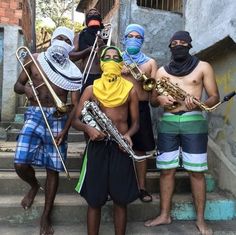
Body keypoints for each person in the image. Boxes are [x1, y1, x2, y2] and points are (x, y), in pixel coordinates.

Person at [145, 31, 220, 235]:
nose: (178, 46)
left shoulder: (203, 67)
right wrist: (159, 100)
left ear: (189, 45)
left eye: (183, 43)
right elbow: (152, 100)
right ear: (170, 46)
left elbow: (214, 97)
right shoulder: (161, 71)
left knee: (196, 172)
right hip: (167, 122)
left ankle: (201, 220)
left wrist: (199, 104)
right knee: (166, 171)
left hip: (194, 121)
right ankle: (164, 215)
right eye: (175, 43)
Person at [14, 26, 82, 235]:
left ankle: (46, 216)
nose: (61, 41)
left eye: (66, 40)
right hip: (34, 114)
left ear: (70, 45)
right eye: (58, 37)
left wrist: (66, 130)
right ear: (52, 39)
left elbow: (75, 105)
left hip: (58, 119)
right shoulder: (34, 59)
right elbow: (18, 85)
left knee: (53, 168)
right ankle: (34, 186)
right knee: (19, 162)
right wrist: (26, 89)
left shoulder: (73, 71)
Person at [73, 46, 140, 235]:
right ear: (101, 64)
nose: (111, 61)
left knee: (121, 200)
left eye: (115, 57)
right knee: (94, 200)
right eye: (107, 58)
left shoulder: (130, 90)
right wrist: (88, 128)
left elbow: (136, 123)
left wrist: (128, 135)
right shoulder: (91, 90)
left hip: (121, 147)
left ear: (121, 63)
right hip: (97, 147)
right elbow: (76, 120)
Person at [122, 24, 158, 203]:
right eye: (130, 36)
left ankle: (142, 187)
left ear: (142, 41)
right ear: (124, 38)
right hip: (120, 108)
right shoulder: (116, 59)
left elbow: (154, 94)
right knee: (118, 149)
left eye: (138, 37)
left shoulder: (150, 62)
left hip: (142, 108)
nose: (134, 39)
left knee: (140, 149)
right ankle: (118, 185)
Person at [69, 8, 106, 94]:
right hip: (87, 75)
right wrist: (88, 50)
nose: (93, 14)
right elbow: (71, 56)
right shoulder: (80, 35)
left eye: (96, 13)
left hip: (104, 75)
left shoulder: (106, 34)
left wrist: (102, 46)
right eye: (90, 14)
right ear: (86, 20)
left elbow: (113, 55)